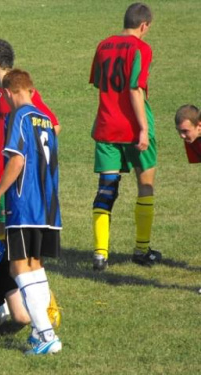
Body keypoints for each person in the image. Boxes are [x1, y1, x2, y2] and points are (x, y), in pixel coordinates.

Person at [0, 69, 62, 355]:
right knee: (35, 266)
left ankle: (46, 335)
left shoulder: (18, 117)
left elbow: (17, 160)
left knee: (18, 266)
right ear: (31, 89)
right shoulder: (46, 120)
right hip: (48, 206)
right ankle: (42, 332)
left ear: (7, 93)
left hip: (24, 204)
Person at [89, 3, 160, 271]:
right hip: (134, 127)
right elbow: (134, 88)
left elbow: (98, 82)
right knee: (145, 186)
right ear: (144, 25)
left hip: (107, 126)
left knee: (106, 187)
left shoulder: (103, 45)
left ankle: (99, 254)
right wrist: (143, 128)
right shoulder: (141, 48)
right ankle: (142, 250)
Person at [0, 39, 60, 240]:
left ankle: (12, 266)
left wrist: (29, 151)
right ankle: (4, 262)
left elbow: (52, 125)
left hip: (6, 169)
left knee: (9, 226)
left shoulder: (19, 92)